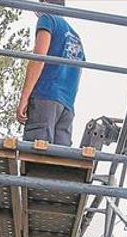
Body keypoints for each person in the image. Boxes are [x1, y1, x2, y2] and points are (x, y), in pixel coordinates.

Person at [16, 0, 85, 146]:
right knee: (57, 161)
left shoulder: (48, 19)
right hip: (67, 107)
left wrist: (24, 98)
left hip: (45, 97)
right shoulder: (77, 38)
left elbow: (38, 59)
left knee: (36, 154)